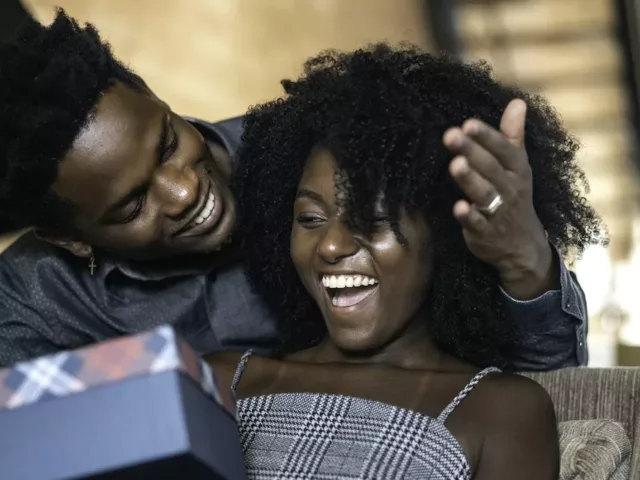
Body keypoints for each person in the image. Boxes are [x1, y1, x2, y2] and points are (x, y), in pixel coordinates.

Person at [0, 10, 591, 369]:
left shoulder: (322, 152)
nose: (182, 193)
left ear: (156, 97)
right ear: (68, 238)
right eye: (133, 205)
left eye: (166, 144)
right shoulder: (39, 294)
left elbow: (551, 382)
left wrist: (523, 259)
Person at [208, 44, 604, 479]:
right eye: (310, 218)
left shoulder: (503, 409)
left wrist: (526, 256)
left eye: (373, 220)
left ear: (445, 236)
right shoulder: (220, 379)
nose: (331, 246)